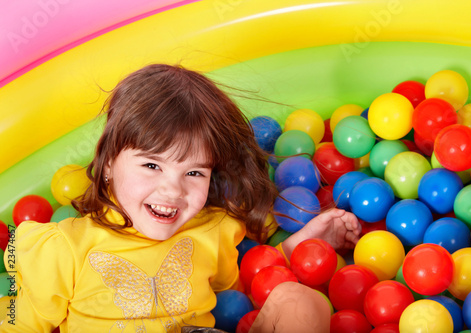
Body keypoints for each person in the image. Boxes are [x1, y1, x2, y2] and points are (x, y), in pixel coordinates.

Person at [1, 64, 361, 332]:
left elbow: (246, 285)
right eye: (152, 165)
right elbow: (23, 322)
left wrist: (304, 246)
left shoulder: (213, 230)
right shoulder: (66, 248)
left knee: (302, 302)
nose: (173, 190)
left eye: (193, 173)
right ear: (108, 163)